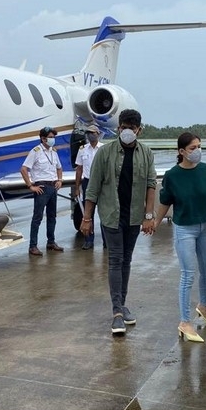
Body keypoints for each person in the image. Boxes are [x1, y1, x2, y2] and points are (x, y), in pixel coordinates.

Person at [81, 109, 157, 336]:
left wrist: (149, 216)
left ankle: (122, 305)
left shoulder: (146, 153)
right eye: (123, 127)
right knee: (115, 260)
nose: (127, 132)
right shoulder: (105, 154)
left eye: (132, 128)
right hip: (111, 215)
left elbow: (151, 185)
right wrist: (87, 218)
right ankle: (116, 312)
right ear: (118, 128)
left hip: (134, 217)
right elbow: (93, 188)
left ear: (139, 130)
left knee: (126, 261)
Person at [155, 132, 206, 343]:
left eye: (199, 146)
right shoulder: (172, 175)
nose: (198, 151)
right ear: (181, 151)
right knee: (188, 274)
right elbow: (165, 201)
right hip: (185, 229)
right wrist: (155, 223)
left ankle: (203, 306)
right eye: (193, 148)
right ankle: (185, 322)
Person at [20, 126, 65, 256]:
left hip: (53, 187)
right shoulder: (36, 151)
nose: (52, 140)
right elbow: (24, 169)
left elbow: (59, 168)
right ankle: (32, 246)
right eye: (50, 138)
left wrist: (60, 180)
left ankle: (51, 242)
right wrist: (30, 186)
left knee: (52, 216)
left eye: (53, 137)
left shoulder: (53, 152)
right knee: (37, 217)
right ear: (43, 138)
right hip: (42, 187)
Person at [74, 123, 104, 250]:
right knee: (88, 213)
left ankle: (106, 241)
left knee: (104, 212)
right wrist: (77, 187)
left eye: (93, 133)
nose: (90, 135)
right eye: (88, 133)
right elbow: (79, 169)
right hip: (88, 182)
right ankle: (88, 240)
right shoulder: (82, 150)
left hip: (102, 183)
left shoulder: (103, 148)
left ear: (98, 134)